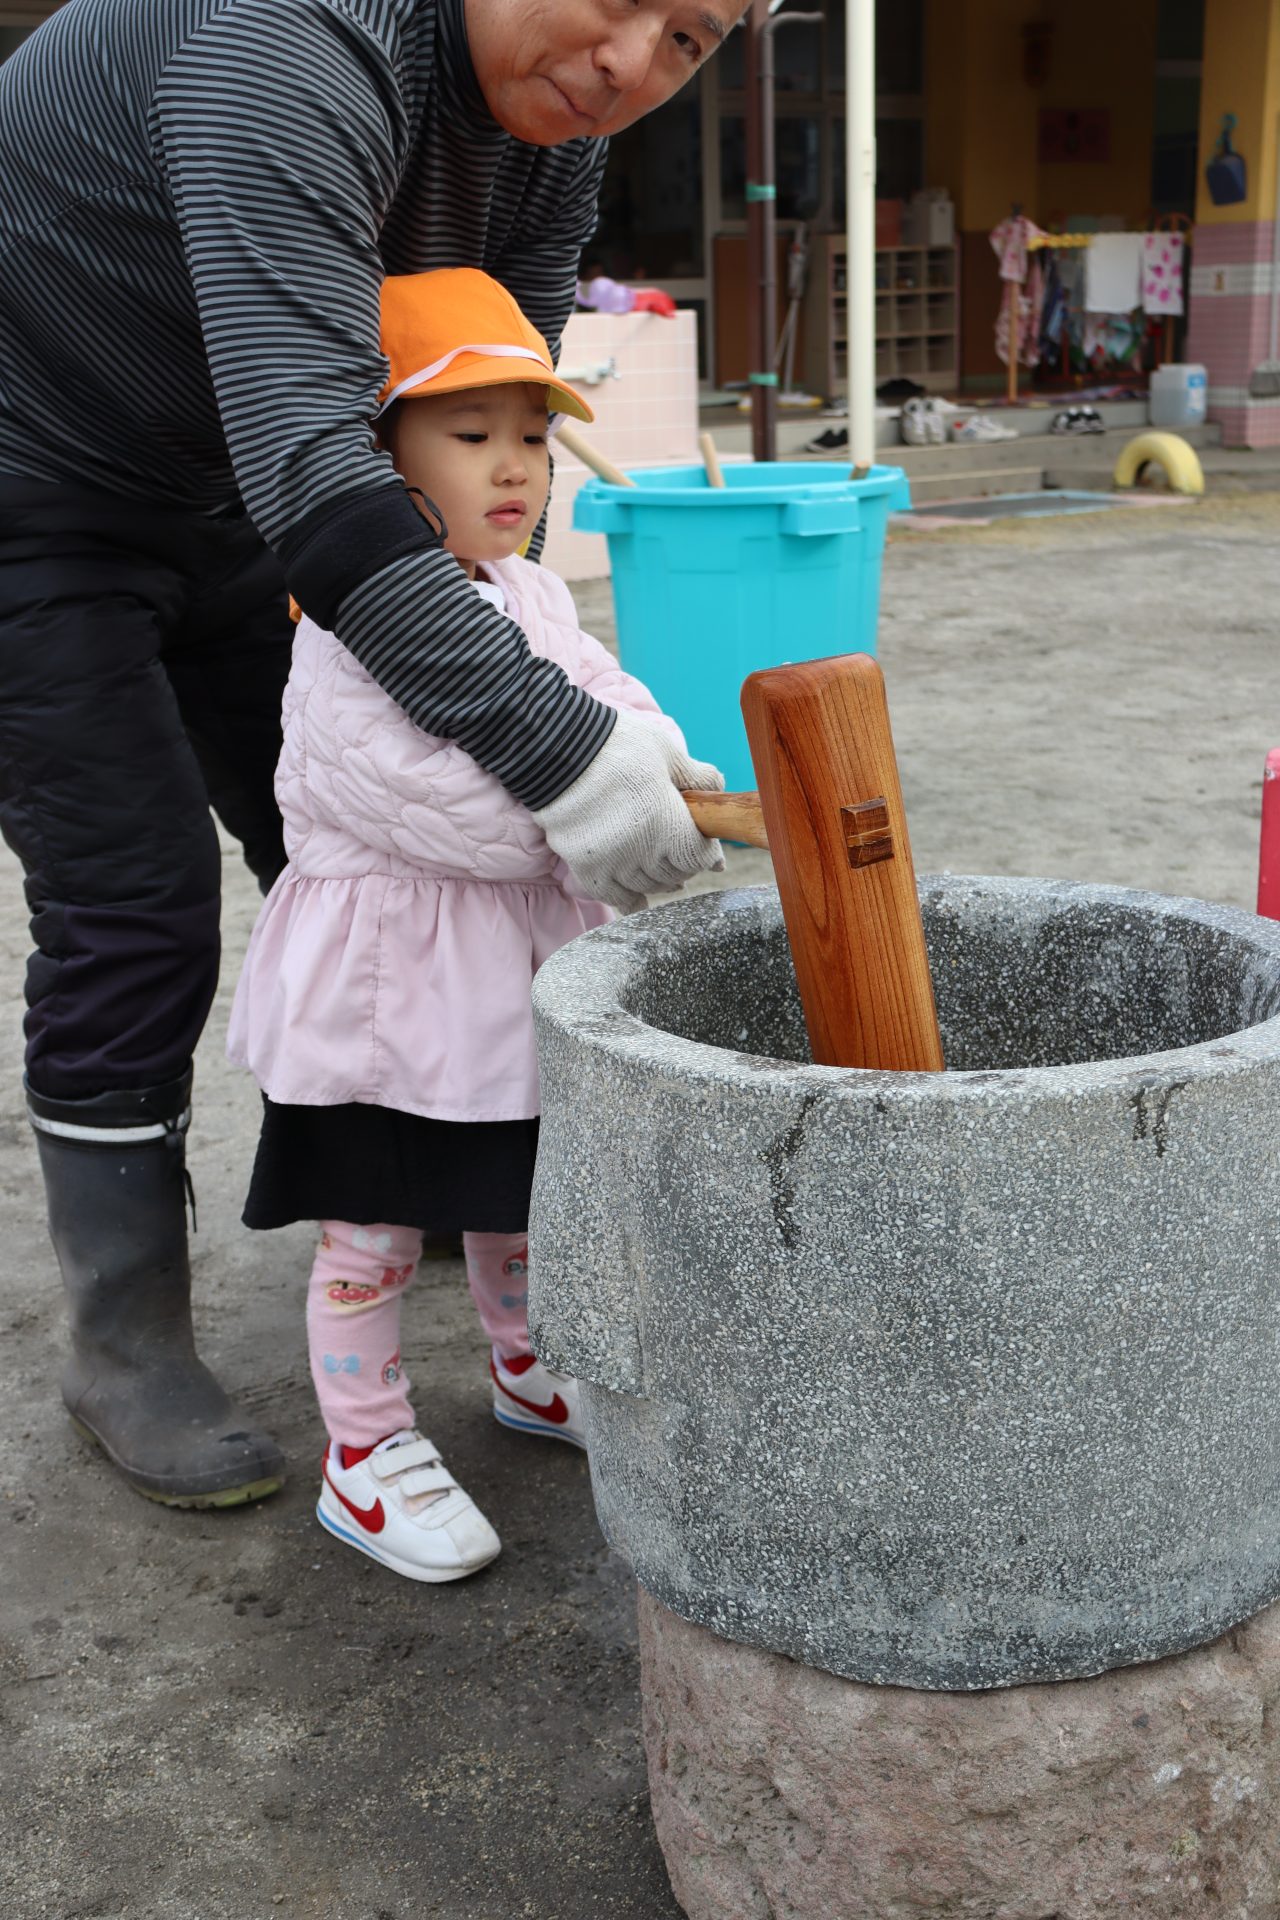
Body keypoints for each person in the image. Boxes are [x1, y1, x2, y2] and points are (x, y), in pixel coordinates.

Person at [0, 0, 742, 1509]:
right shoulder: (288, 36)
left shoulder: (551, 128)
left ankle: (401, 1177)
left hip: (251, 494)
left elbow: (485, 411)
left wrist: (544, 663)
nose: (630, 63)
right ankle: (123, 1339)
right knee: (136, 899)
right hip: (36, 480)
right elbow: (320, 454)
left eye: (691, 38)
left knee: (359, 862)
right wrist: (560, 755)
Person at [226, 267, 719, 1581]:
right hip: (385, 998)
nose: (515, 466)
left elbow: (602, 690)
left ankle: (526, 1367)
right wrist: (594, 817)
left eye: (534, 438)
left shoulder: (529, 594)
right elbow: (440, 810)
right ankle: (364, 1451)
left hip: (505, 979)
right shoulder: (342, 625)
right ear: (377, 456)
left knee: (518, 1200)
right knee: (374, 1230)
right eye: (469, 432)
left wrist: (661, 760)